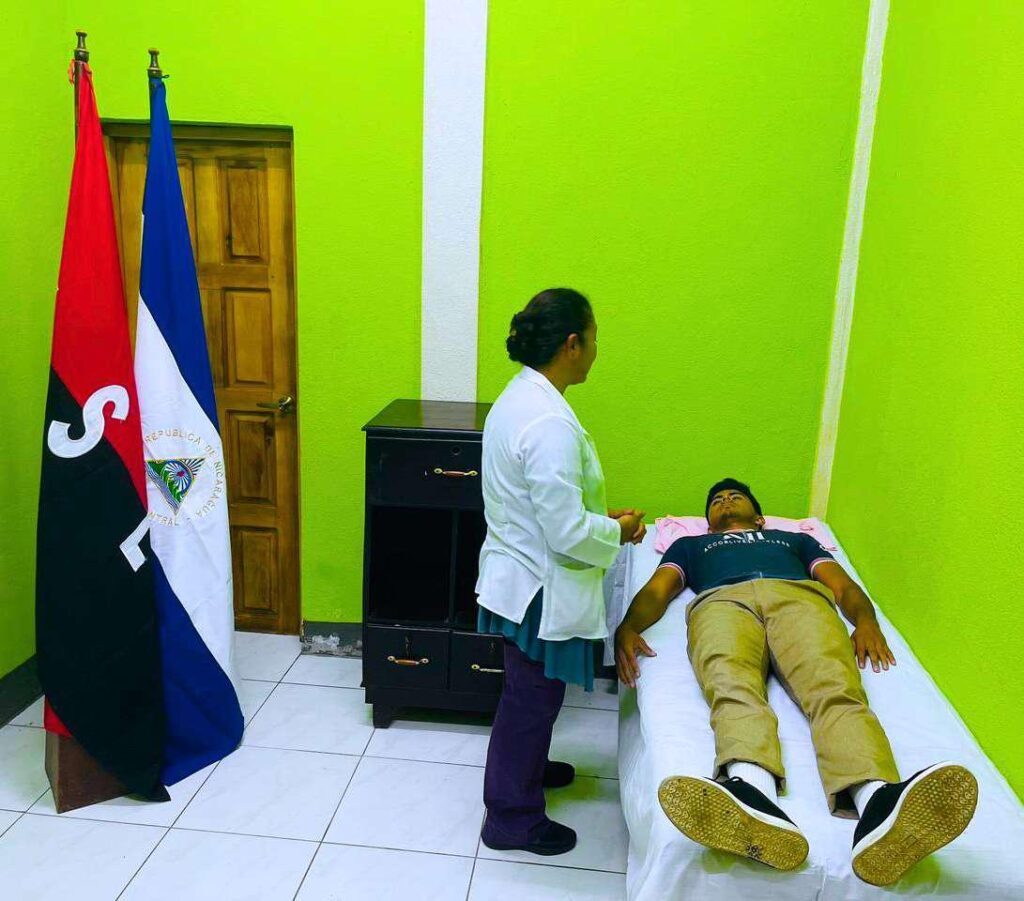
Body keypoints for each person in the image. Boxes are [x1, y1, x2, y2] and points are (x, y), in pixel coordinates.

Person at [614, 478, 978, 886]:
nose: (726, 500)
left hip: (799, 597)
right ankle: (751, 791)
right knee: (731, 685)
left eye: (735, 496)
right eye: (717, 500)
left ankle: (877, 801)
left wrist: (866, 621)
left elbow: (842, 585)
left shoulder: (794, 540)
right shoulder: (690, 545)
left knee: (833, 687)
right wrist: (628, 626)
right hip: (720, 601)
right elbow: (658, 591)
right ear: (709, 522)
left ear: (760, 517)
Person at [476, 287, 646, 857]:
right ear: (572, 344)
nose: (597, 350)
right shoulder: (547, 420)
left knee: (529, 696)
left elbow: (547, 506)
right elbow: (567, 533)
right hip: (538, 588)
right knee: (530, 701)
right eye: (594, 339)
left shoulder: (520, 398)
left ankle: (526, 771)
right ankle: (510, 818)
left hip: (519, 572)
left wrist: (600, 518)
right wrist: (620, 531)